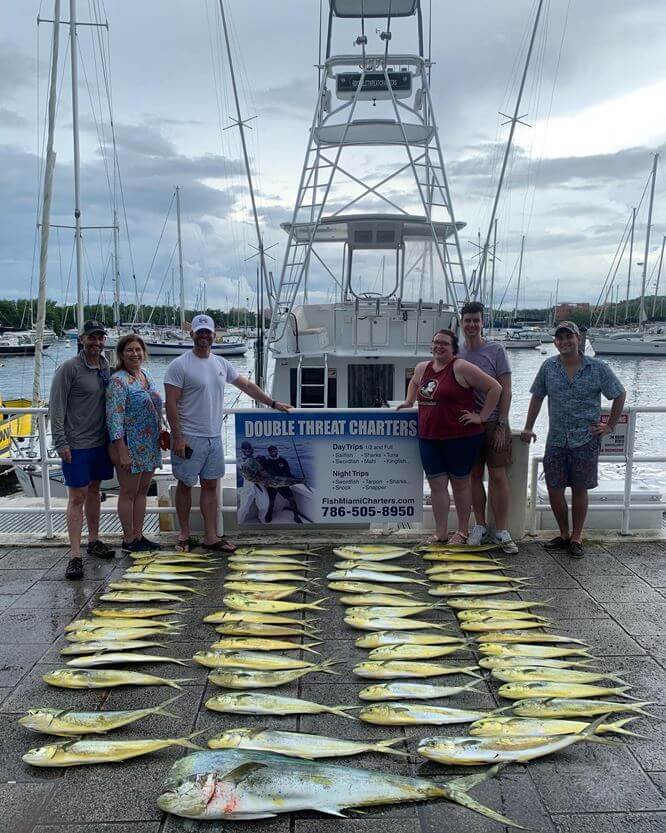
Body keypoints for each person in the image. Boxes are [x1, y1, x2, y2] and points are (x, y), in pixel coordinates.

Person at [164, 314, 290, 552]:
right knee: (185, 485)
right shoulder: (179, 365)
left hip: (214, 437)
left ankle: (211, 536)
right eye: (199, 331)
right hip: (189, 436)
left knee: (212, 486)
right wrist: (177, 436)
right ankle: (183, 534)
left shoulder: (221, 363)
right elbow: (171, 404)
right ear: (192, 334)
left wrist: (273, 403)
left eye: (207, 332)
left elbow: (247, 386)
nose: (204, 335)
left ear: (214, 335)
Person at [521, 320, 626, 558]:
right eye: (560, 338)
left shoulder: (598, 368)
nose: (564, 341)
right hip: (556, 438)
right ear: (555, 342)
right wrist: (528, 427)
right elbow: (537, 398)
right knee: (554, 489)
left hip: (585, 439)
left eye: (569, 337)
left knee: (580, 489)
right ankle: (564, 533)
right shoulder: (548, 367)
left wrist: (609, 425)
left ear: (579, 339)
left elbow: (619, 394)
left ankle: (577, 536)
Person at [397, 329, 502, 544]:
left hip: (460, 437)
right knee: (437, 485)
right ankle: (441, 532)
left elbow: (495, 388)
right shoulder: (422, 368)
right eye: (436, 342)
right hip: (429, 437)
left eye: (444, 343)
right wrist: (409, 401)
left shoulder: (460, 367)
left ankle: (462, 531)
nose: (439, 346)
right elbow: (415, 383)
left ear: (453, 347)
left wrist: (481, 416)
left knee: (460, 484)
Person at [49, 320, 115, 579]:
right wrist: (60, 441)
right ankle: (74, 555)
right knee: (76, 497)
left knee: (95, 492)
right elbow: (56, 407)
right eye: (92, 338)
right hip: (76, 445)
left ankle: (94, 540)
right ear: (82, 339)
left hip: (100, 442)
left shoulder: (105, 366)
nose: (97, 343)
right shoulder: (68, 369)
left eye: (101, 338)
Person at [458, 301, 518, 554]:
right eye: (467, 320)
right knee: (473, 476)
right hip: (468, 424)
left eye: (476, 320)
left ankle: (502, 530)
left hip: (493, 422)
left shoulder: (496, 350)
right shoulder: (457, 353)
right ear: (461, 322)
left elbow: (506, 388)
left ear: (482, 322)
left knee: (497, 475)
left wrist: (502, 422)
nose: (471, 324)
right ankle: (480, 525)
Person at [106, 334, 162, 553]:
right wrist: (121, 450)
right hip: (129, 444)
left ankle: (139, 535)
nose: (134, 354)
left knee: (142, 491)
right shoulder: (117, 381)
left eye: (138, 349)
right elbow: (114, 418)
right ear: (121, 354)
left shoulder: (145, 374)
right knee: (128, 492)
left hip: (149, 442)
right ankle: (128, 539)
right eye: (129, 350)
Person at [263, 445, 305, 523]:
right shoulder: (266, 462)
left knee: (292, 500)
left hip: (282, 484)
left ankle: (296, 516)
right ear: (269, 452)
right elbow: (264, 474)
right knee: (271, 502)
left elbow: (288, 473)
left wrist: (296, 480)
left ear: (277, 451)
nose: (273, 452)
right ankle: (269, 513)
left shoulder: (283, 460)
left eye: (274, 450)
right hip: (272, 485)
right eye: (271, 451)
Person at [237, 441, 270, 524]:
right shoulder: (239, 460)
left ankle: (262, 518)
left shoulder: (258, 458)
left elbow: (264, 472)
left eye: (249, 448)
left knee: (265, 505)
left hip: (259, 484)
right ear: (242, 450)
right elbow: (243, 468)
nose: (248, 450)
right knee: (244, 508)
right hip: (247, 486)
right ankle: (239, 523)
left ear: (252, 449)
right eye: (245, 448)